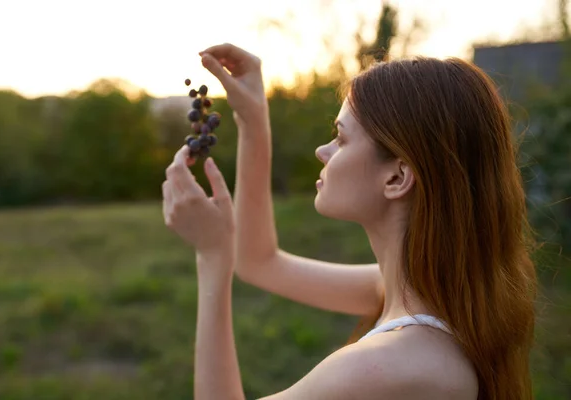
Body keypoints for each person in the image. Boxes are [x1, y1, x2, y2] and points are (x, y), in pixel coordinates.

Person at [161, 43, 537, 400]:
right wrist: (253, 119)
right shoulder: (424, 291)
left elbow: (249, 262)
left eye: (341, 139)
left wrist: (211, 257)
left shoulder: (396, 365)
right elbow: (259, 262)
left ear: (396, 178)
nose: (322, 151)